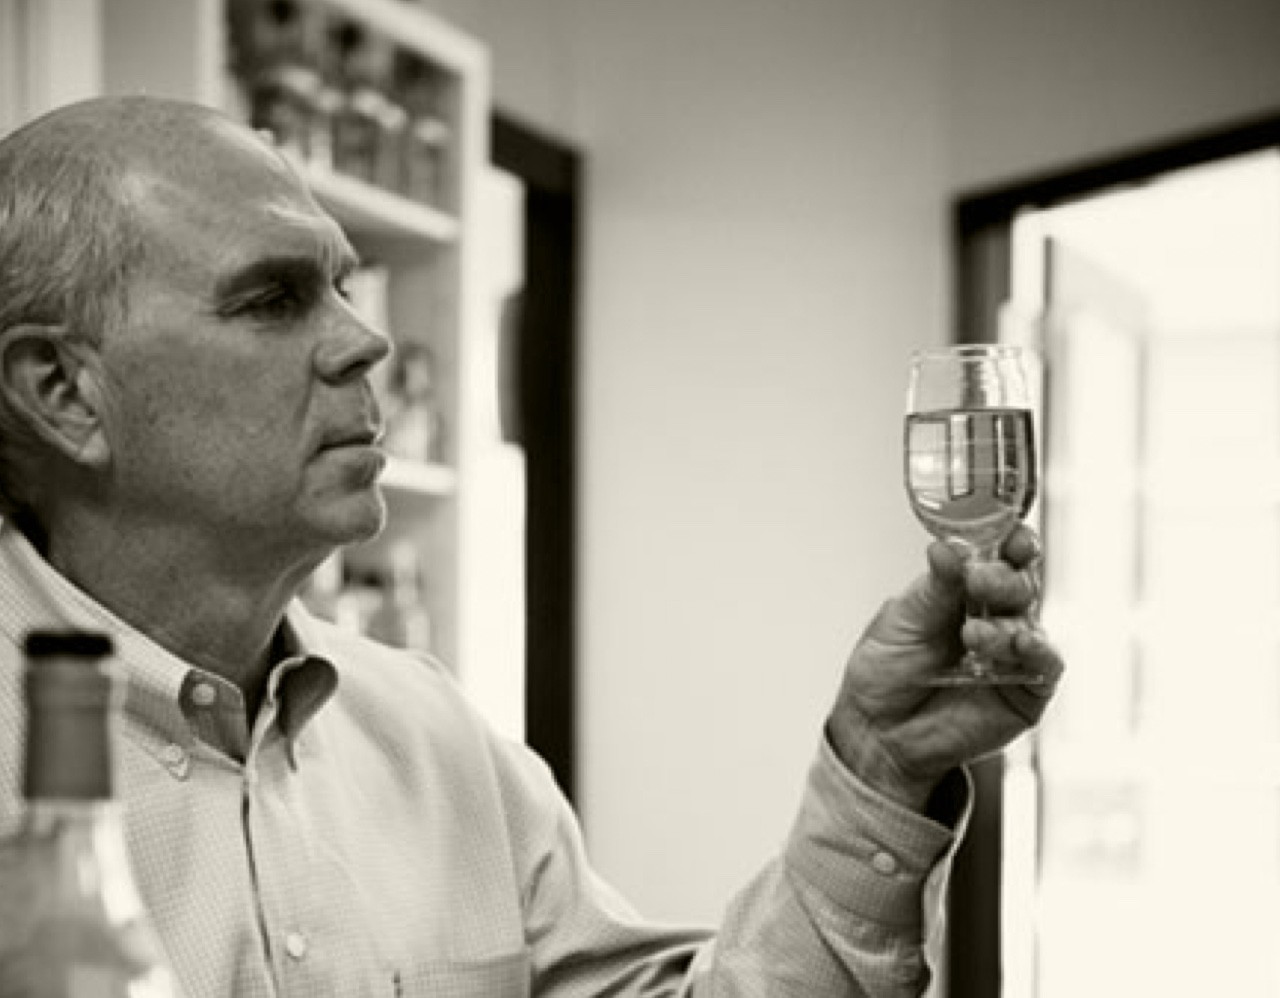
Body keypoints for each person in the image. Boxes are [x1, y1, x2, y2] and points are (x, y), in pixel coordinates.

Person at [0, 95, 1062, 998]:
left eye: (343, 283)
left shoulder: (430, 733)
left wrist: (876, 761)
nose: (364, 338)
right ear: (62, 390)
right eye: (273, 298)